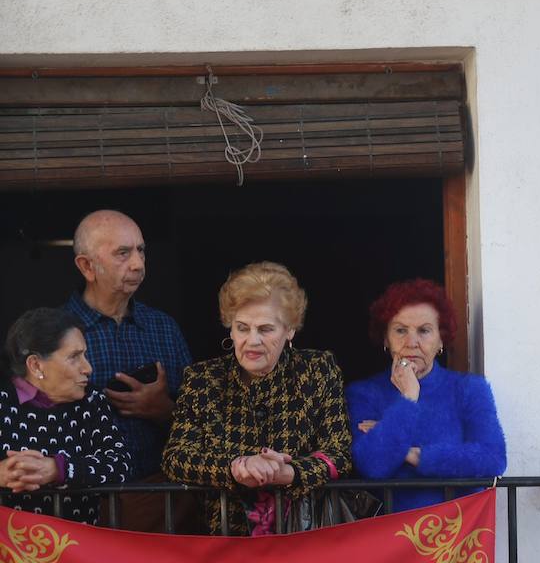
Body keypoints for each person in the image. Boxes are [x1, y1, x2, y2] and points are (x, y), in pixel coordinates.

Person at [163, 261, 352, 535]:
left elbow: (339, 453)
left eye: (265, 329)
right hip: (226, 538)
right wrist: (237, 468)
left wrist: (291, 473)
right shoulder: (203, 379)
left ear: (289, 331)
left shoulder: (317, 370)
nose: (252, 341)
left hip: (303, 537)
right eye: (242, 328)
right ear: (230, 327)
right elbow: (175, 458)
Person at [65, 209, 193, 530]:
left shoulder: (163, 328)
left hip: (164, 505)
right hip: (81, 505)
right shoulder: (57, 333)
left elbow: (204, 421)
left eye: (141, 250)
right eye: (123, 253)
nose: (138, 264)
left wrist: (164, 410)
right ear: (86, 266)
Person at [346, 278, 506, 512]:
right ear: (385, 339)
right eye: (400, 330)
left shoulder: (469, 389)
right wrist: (409, 397)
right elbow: (372, 464)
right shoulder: (364, 393)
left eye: (424, 331)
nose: (412, 342)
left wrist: (412, 453)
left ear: (441, 339)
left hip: (457, 535)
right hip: (388, 538)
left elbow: (492, 458)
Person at [0, 308, 131, 524]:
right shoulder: (3, 402)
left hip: (79, 549)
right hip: (11, 549)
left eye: (84, 355)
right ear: (36, 365)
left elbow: (120, 463)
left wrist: (58, 469)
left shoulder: (91, 401)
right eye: (74, 357)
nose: (88, 368)